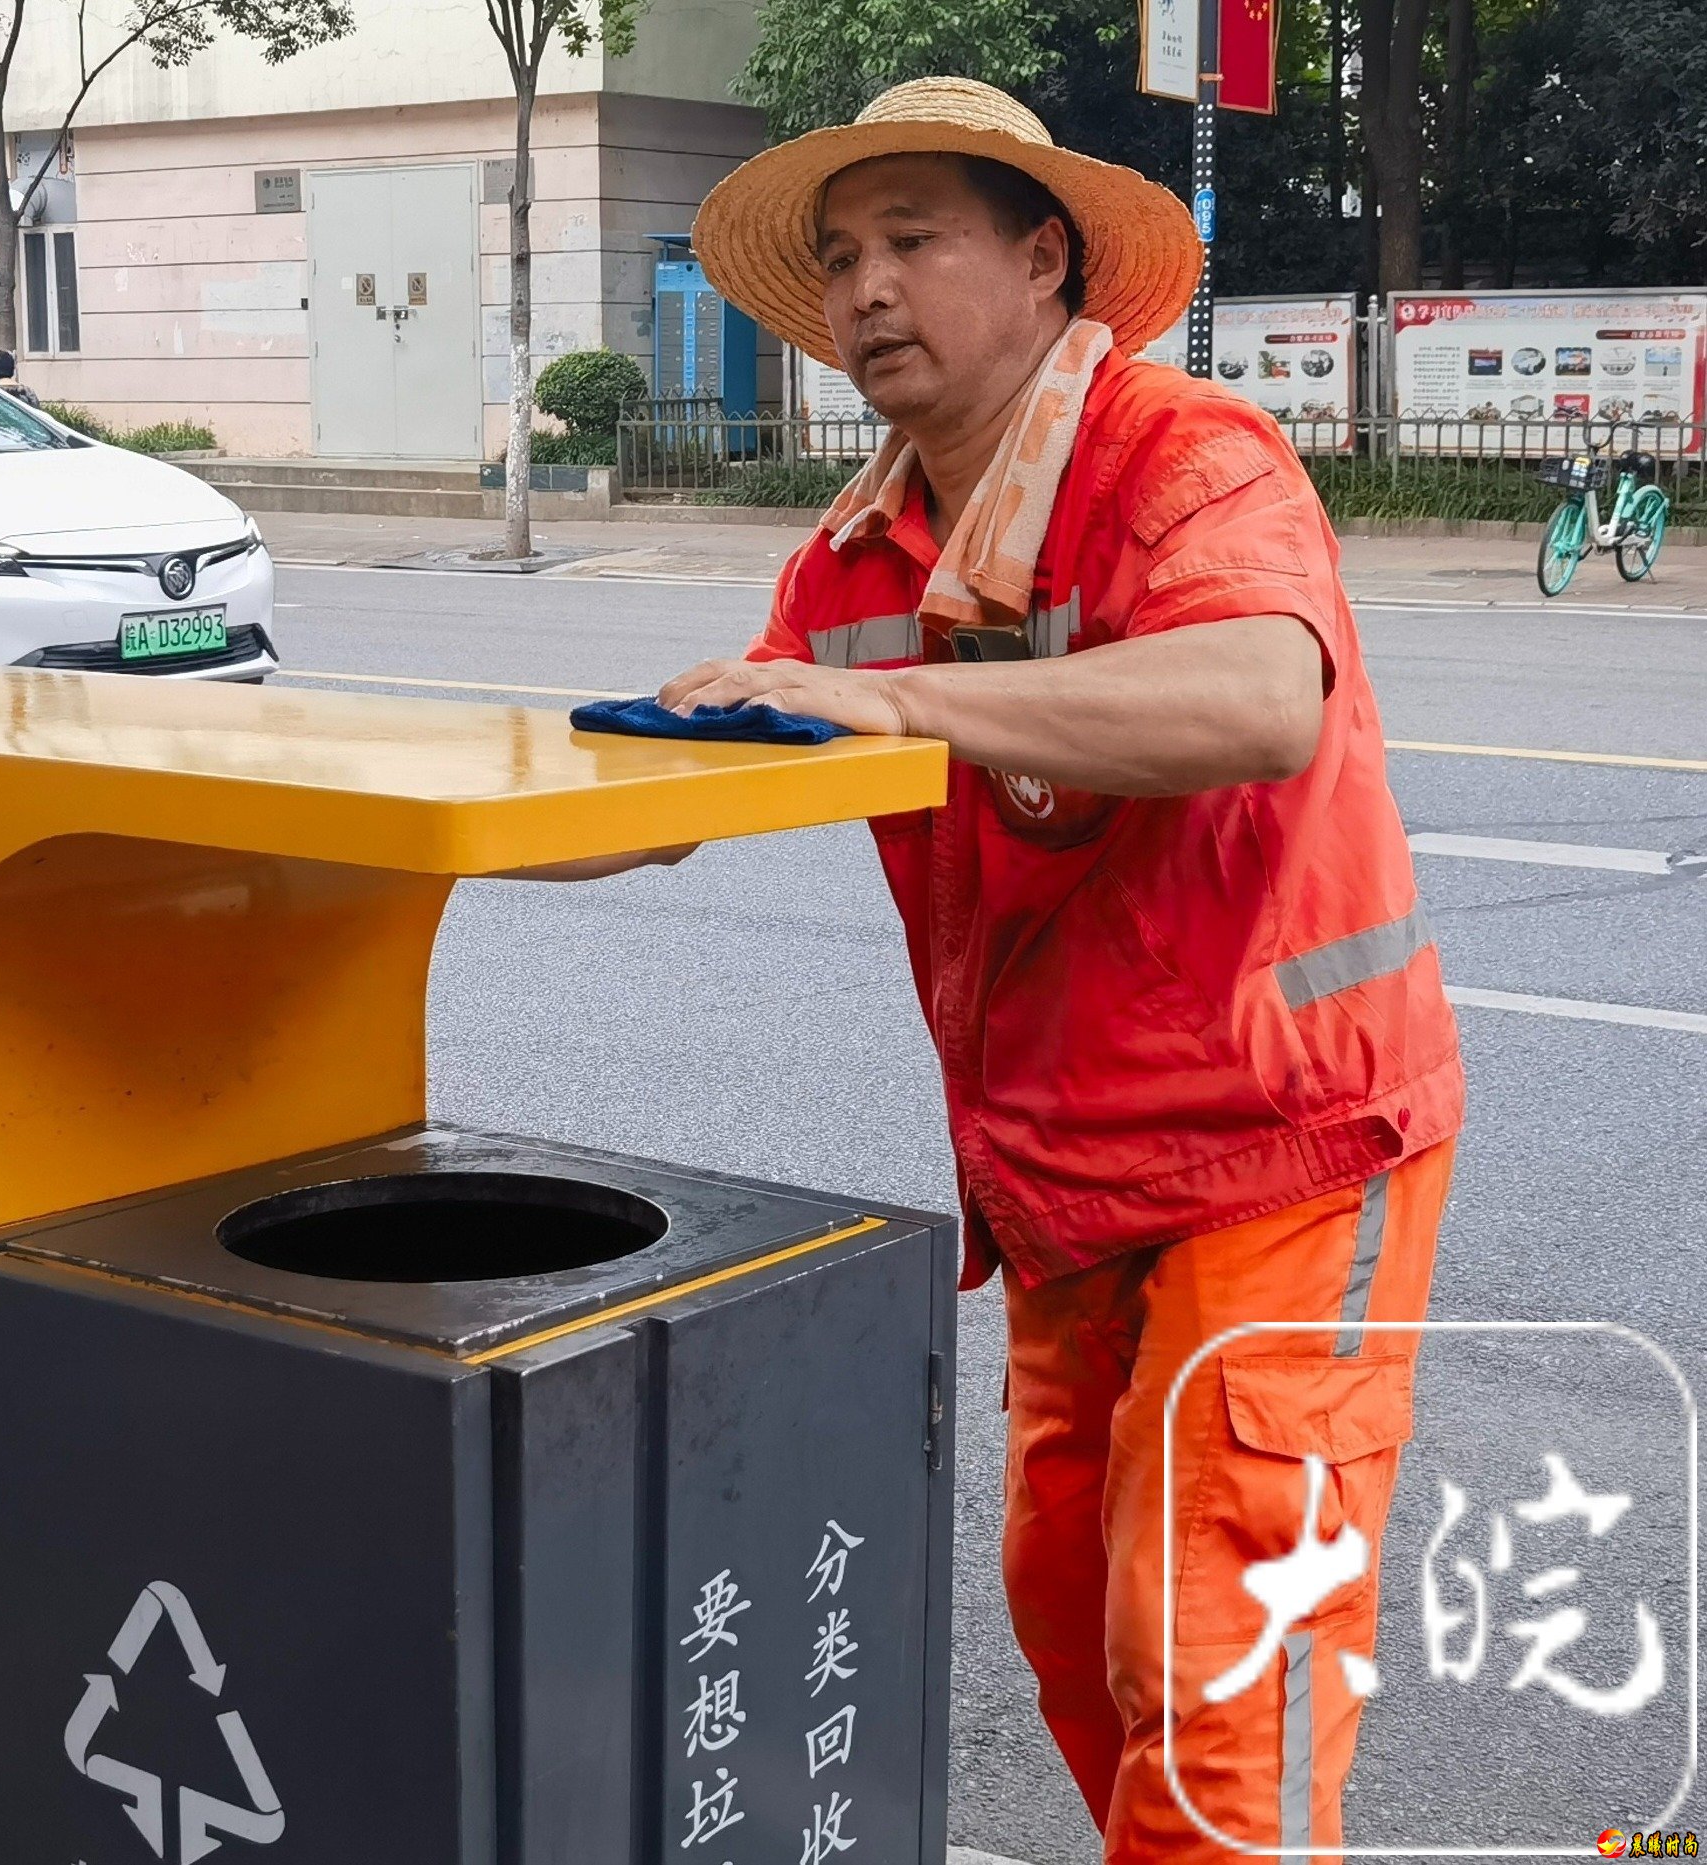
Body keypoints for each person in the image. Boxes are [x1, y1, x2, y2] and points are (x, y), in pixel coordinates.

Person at [555, 79, 1464, 1862]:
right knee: (1070, 1610)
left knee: (1209, 1658)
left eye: (913, 242)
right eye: (838, 259)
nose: (865, 292)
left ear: (1044, 262)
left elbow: (1264, 696)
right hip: (1065, 1186)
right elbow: (691, 772)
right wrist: (358, 838)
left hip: (1285, 1143)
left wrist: (897, 700)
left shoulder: (1182, 454)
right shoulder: (858, 553)